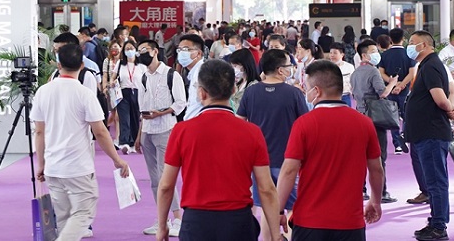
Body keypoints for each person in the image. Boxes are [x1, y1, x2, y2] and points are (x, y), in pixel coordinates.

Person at [157, 60, 279, 241]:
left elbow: (166, 186)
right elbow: (266, 188)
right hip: (238, 222)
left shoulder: (182, 130)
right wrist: (276, 235)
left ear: (201, 93)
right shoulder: (252, 132)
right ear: (233, 90)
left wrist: (162, 227)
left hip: (197, 221)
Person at [277, 60, 385, 241]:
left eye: (307, 88)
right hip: (350, 221)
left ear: (316, 91)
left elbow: (289, 171)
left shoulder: (304, 124)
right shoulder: (364, 123)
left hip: (310, 220)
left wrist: (278, 210)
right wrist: (375, 201)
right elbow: (377, 169)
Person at [30, 43, 129, 240]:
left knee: (64, 218)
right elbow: (100, 131)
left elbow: (39, 132)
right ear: (82, 65)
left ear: (59, 65)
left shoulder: (43, 91)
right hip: (78, 167)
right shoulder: (84, 93)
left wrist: (41, 163)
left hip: (53, 166)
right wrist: (117, 160)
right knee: (84, 213)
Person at [238, 48, 308, 240]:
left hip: (259, 163)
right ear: (280, 70)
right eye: (289, 66)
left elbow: (240, 122)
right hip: (289, 161)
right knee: (293, 208)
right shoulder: (294, 93)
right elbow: (305, 125)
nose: (291, 69)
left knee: (268, 209)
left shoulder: (251, 92)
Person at [404, 30, 454, 241]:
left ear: (424, 45)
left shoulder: (430, 66)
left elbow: (440, 98)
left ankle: (439, 226)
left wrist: (450, 109)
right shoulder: (427, 65)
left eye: (413, 42)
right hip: (426, 132)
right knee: (434, 181)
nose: (410, 46)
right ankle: (435, 221)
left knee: (436, 181)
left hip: (431, 132)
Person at [134, 40, 186, 237]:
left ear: (155, 51)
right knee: (155, 179)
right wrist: (139, 134)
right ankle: (162, 219)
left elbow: (180, 103)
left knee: (166, 177)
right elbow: (141, 108)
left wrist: (161, 113)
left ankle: (178, 218)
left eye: (144, 50)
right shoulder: (143, 77)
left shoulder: (171, 75)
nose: (141, 54)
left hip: (165, 129)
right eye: (139, 51)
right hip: (147, 131)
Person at [351, 39, 399, 203]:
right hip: (375, 117)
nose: (377, 54)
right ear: (364, 55)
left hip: (360, 115)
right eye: (373, 51)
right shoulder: (373, 72)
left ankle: (361, 190)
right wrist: (392, 83)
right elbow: (382, 93)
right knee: (379, 155)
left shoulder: (355, 73)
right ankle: (382, 192)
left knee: (361, 155)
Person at [378, 28, 417, 154]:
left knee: (392, 116)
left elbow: (381, 72)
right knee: (406, 115)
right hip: (405, 90)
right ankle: (404, 136)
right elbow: (412, 73)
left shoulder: (385, 55)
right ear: (403, 39)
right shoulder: (408, 54)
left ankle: (397, 144)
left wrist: (392, 83)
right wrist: (401, 85)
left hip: (389, 90)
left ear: (390, 39)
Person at [114, 40, 145, 154]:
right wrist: (111, 83)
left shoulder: (141, 66)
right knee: (124, 118)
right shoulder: (120, 64)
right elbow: (113, 77)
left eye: (131, 48)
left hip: (137, 92)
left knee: (135, 118)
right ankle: (124, 142)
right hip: (123, 92)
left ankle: (134, 142)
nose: (129, 51)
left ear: (136, 50)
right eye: (127, 49)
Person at [179, 34, 206, 120]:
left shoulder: (203, 73)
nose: (181, 53)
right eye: (179, 50)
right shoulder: (193, 73)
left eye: (186, 49)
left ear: (198, 53)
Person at [102, 40, 123, 146]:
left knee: (118, 115)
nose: (114, 49)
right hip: (111, 90)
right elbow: (105, 75)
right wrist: (104, 87)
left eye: (116, 46)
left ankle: (117, 138)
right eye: (112, 47)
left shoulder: (123, 61)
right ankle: (104, 127)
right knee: (113, 113)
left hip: (121, 89)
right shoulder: (107, 61)